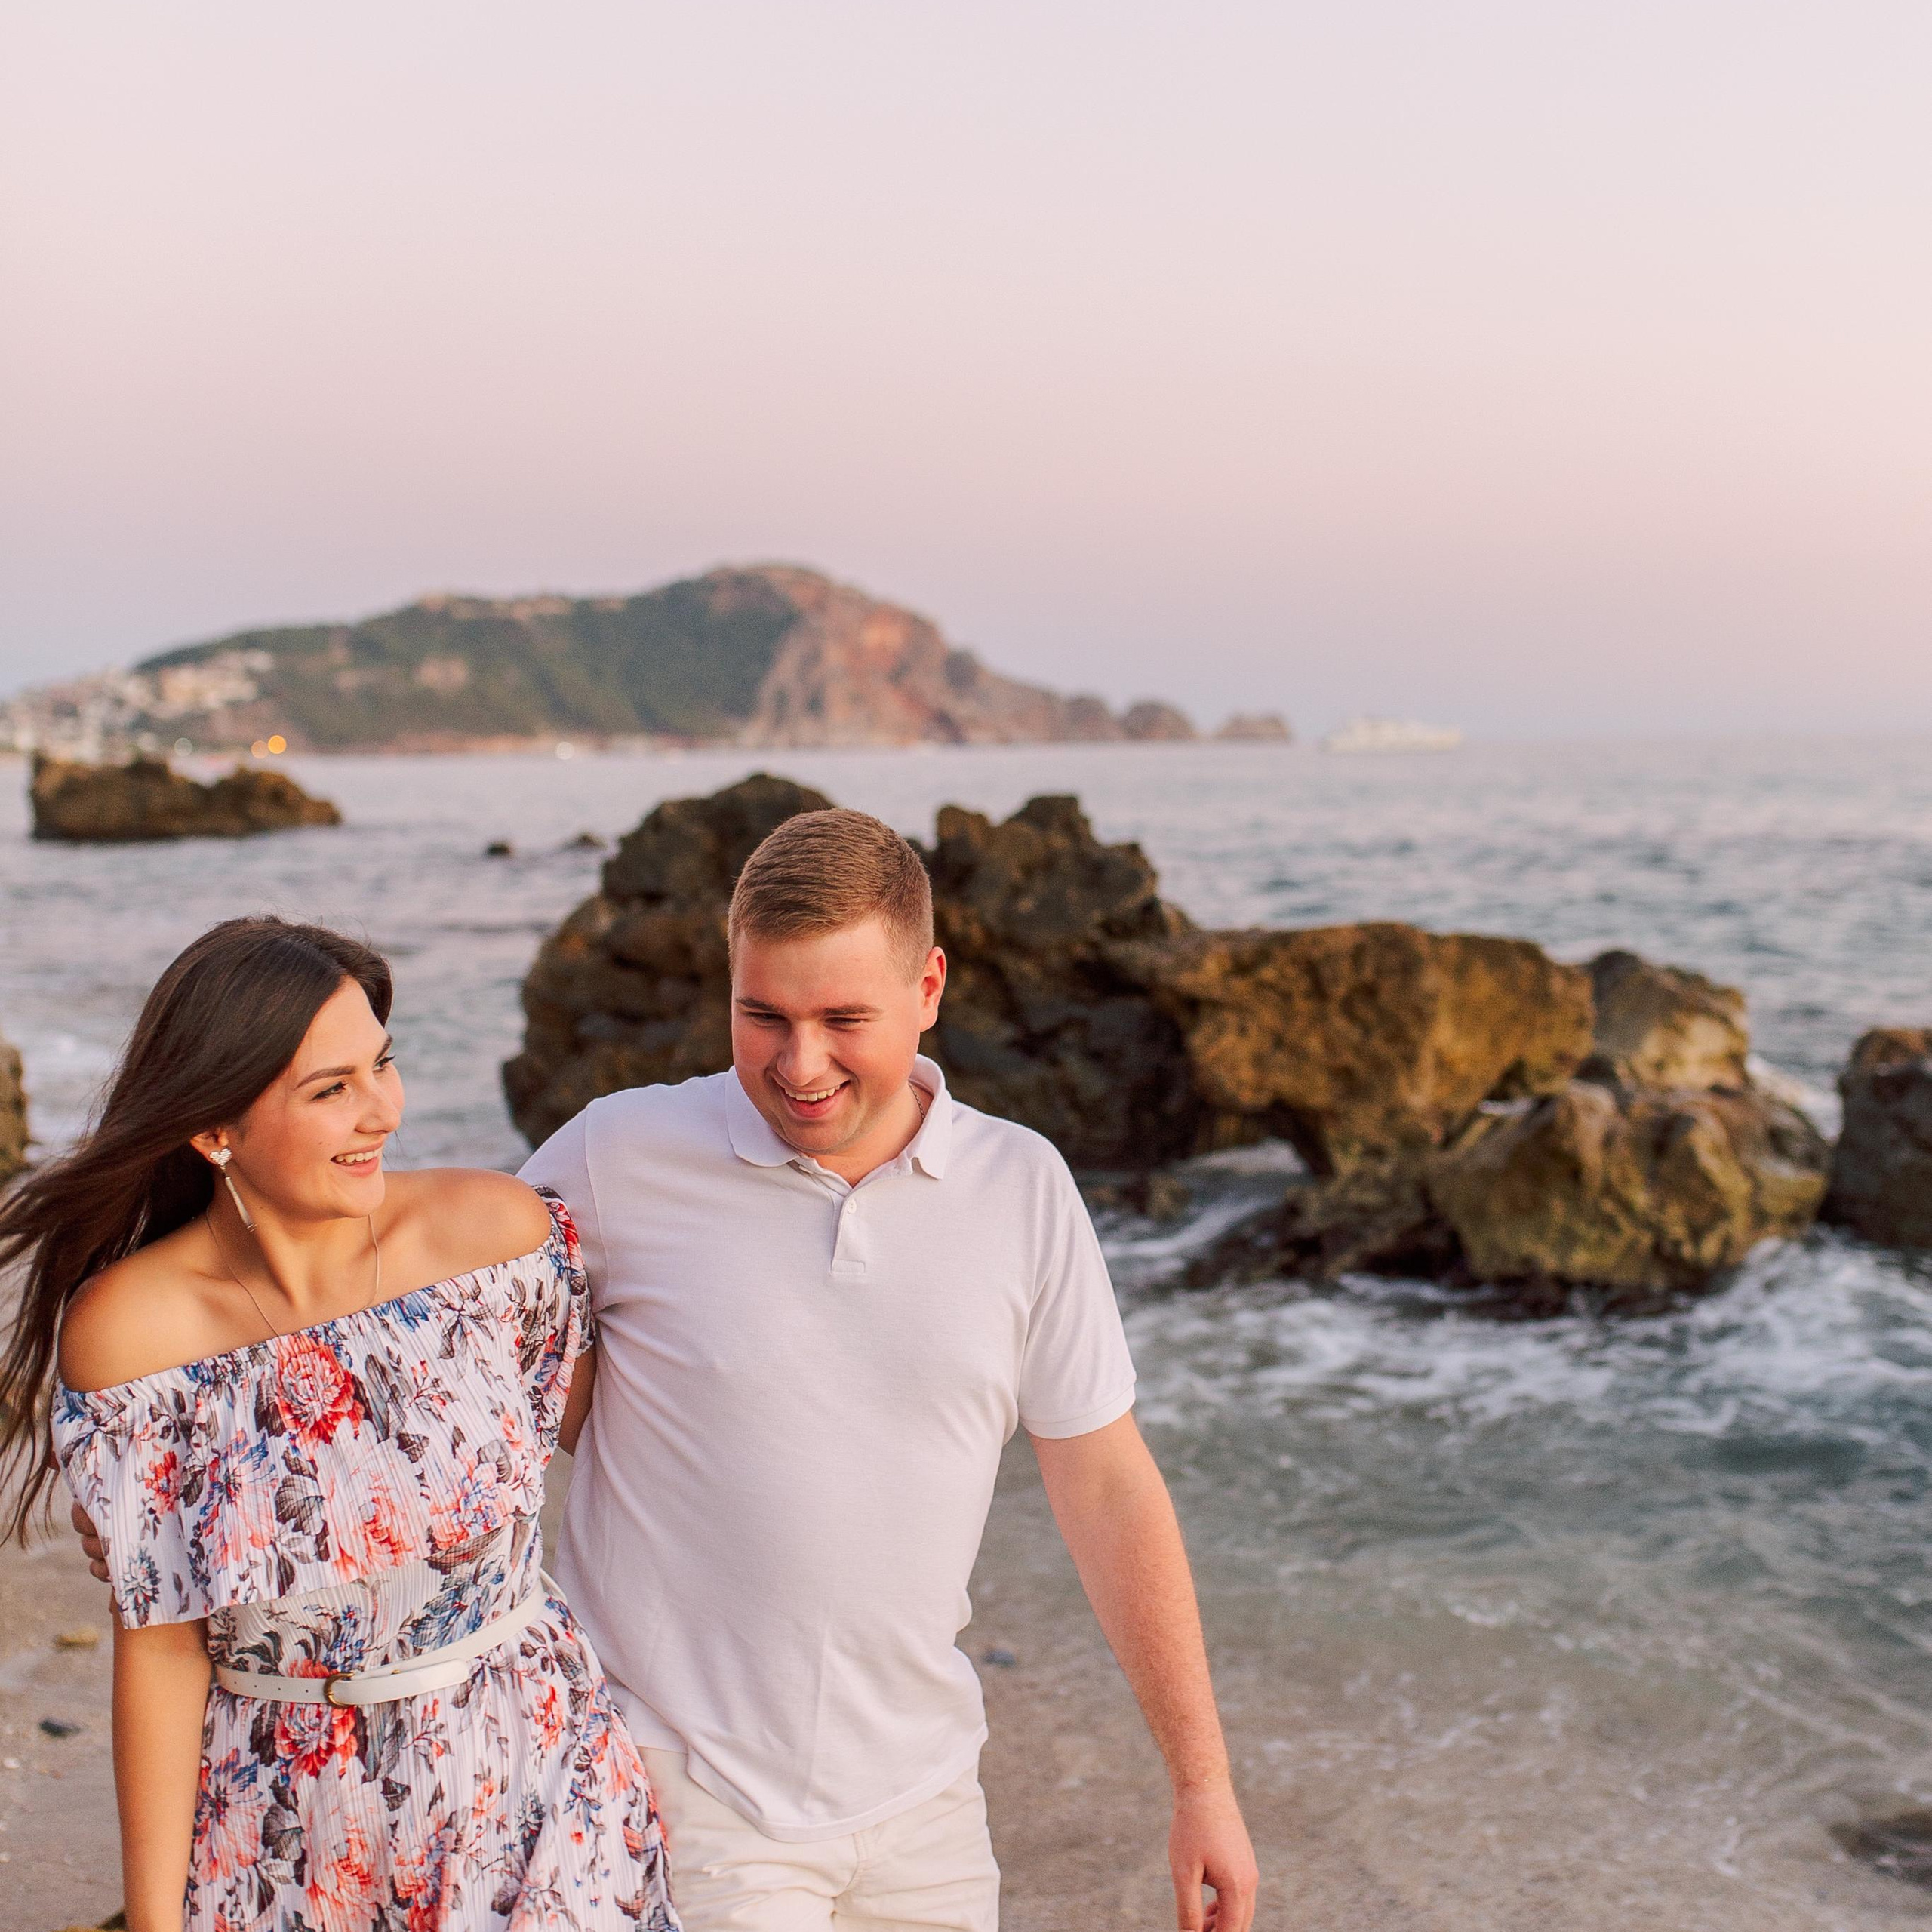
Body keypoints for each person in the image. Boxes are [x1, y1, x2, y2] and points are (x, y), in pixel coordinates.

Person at [518, 808, 1258, 1932]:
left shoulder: (1023, 1187)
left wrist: (1202, 1788)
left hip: (928, 1806)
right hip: (683, 1793)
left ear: (929, 990)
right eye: (761, 1015)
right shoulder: (614, 1158)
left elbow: (1106, 1486)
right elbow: (468, 1386)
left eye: (842, 1020)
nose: (798, 1064)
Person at [5, 917, 678, 1932]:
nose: (384, 1113)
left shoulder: (494, 1240)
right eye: (332, 1090)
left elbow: (611, 1451)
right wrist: (153, 1922)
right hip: (280, 1821)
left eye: (384, 1065)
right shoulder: (134, 1334)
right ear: (214, 1127)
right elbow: (162, 1646)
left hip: (537, 1788)